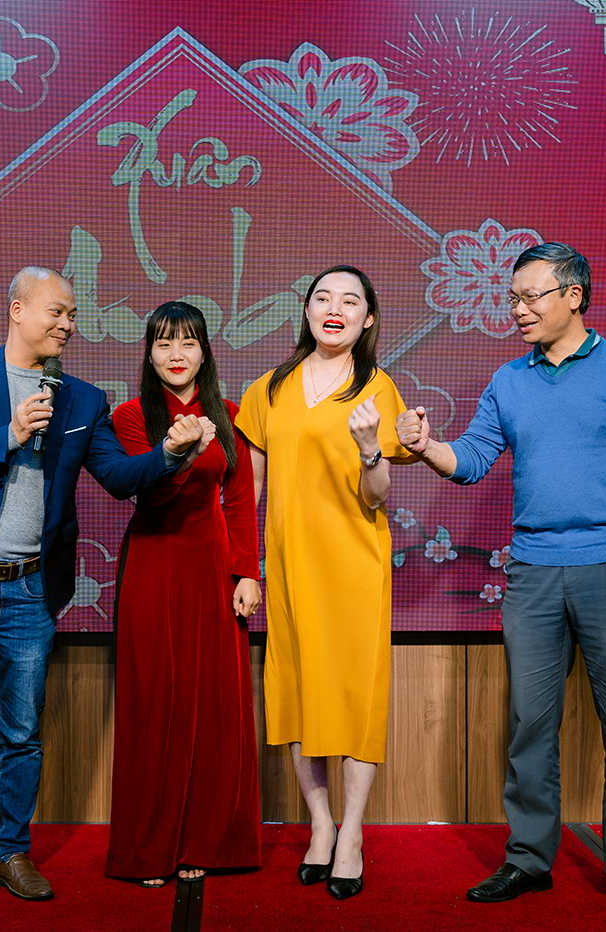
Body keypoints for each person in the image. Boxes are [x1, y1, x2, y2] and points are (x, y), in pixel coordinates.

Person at [0, 267, 210, 921]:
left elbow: (119, 476)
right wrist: (6, 435)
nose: (68, 324)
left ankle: (8, 854)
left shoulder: (82, 400)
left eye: (72, 315)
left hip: (30, 591)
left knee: (22, 735)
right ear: (17, 310)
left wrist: (171, 455)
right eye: (57, 312)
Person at [397, 243, 606, 923]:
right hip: (531, 572)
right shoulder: (508, 380)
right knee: (530, 723)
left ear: (574, 295)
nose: (518, 311)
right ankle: (528, 859)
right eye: (513, 299)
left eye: (531, 297)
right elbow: (472, 460)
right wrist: (424, 445)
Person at [234, 265, 414, 902]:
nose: (334, 309)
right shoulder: (268, 388)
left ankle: (352, 834)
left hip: (354, 567)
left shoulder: (379, 388)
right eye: (322, 297)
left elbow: (377, 494)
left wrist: (369, 449)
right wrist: (247, 567)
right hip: (288, 568)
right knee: (297, 694)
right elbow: (250, 492)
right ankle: (319, 826)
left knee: (354, 697)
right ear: (306, 310)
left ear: (368, 319)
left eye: (350, 301)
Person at [104, 300, 263, 887]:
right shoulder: (129, 417)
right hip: (153, 560)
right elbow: (150, 497)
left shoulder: (232, 414)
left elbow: (240, 499)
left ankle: (208, 842)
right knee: (153, 701)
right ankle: (149, 849)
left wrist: (247, 572)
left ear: (205, 351)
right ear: (149, 353)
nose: (176, 354)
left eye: (188, 342)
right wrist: (181, 453)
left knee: (215, 702)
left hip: (213, 564)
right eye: (164, 342)